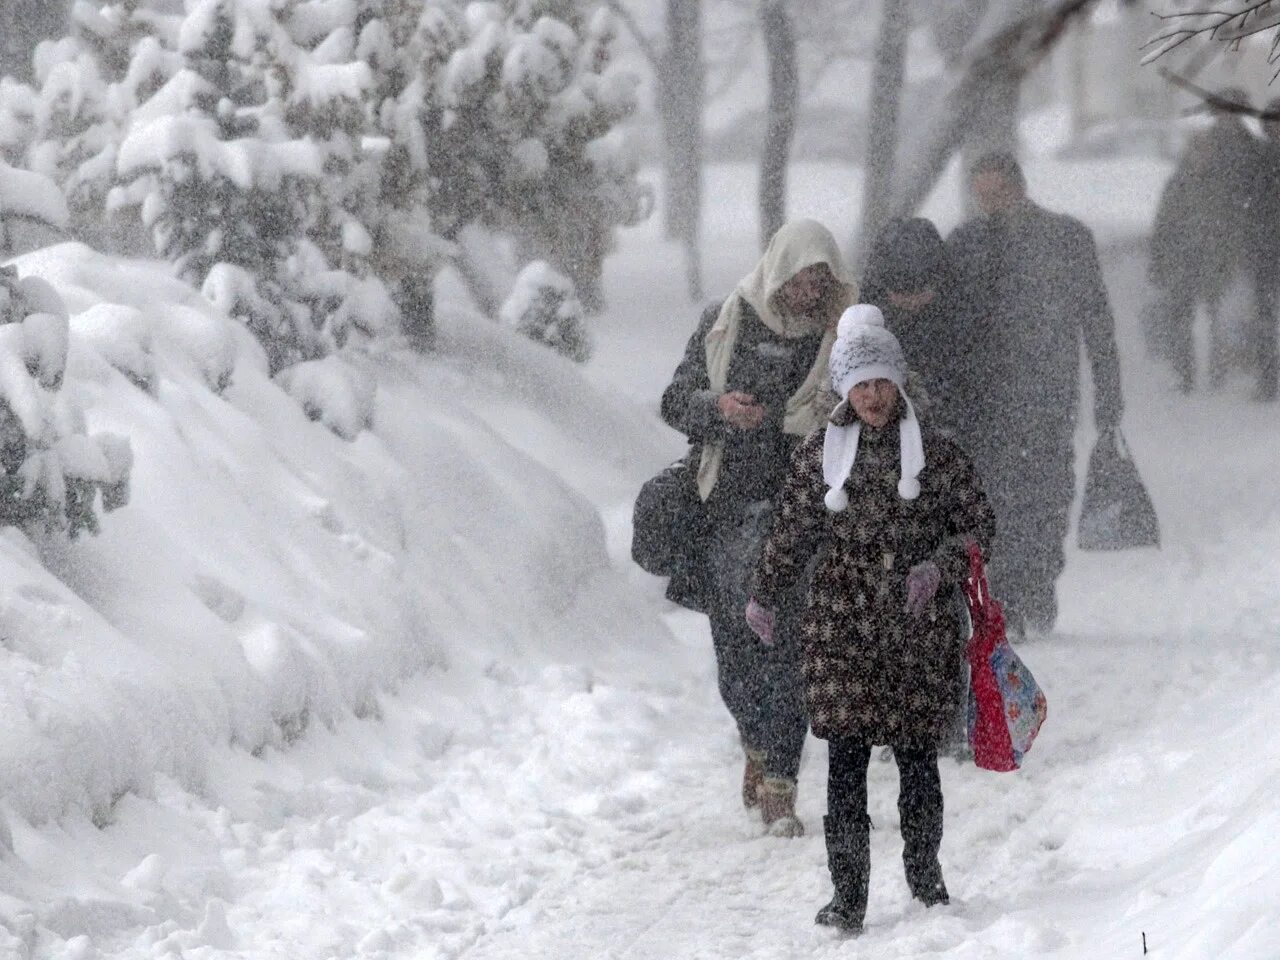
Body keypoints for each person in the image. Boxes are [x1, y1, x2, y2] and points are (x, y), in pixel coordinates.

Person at [746, 305, 995, 933]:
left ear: (898, 381)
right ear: (843, 389)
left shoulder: (937, 454)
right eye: (861, 385)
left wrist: (938, 565)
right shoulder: (818, 457)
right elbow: (792, 530)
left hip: (918, 623)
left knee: (916, 758)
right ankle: (848, 893)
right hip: (841, 620)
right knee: (847, 761)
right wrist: (765, 592)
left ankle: (926, 880)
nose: (873, 396)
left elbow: (978, 526)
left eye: (882, 382)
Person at [660, 219, 858, 837]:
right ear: (778, 271)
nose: (809, 292)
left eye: (821, 280)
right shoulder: (728, 321)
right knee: (736, 652)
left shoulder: (840, 335)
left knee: (789, 646)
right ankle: (754, 739)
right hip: (726, 511)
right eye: (801, 278)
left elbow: (870, 407)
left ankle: (781, 781)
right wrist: (718, 409)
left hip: (802, 514)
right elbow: (675, 400)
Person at [946, 151, 1124, 638]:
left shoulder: (1065, 240)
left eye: (997, 193)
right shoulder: (965, 244)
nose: (991, 205)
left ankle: (1036, 587)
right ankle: (1006, 595)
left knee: (1045, 497)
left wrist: (1109, 395)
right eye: (982, 197)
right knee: (994, 500)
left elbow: (1097, 321)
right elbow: (947, 324)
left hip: (1046, 395)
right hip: (984, 400)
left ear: (1018, 187)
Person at [1147, 88, 1260, 392]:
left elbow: (1236, 215)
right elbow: (1164, 224)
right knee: (1186, 316)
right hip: (1190, 258)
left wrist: (1238, 248)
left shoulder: (1236, 163)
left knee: (1216, 317)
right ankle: (1189, 373)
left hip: (1215, 257)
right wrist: (1160, 260)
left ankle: (1216, 370)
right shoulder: (1181, 184)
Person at [861, 216, 980, 435]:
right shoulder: (865, 321)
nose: (911, 301)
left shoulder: (964, 319)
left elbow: (973, 391)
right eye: (900, 292)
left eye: (920, 291)